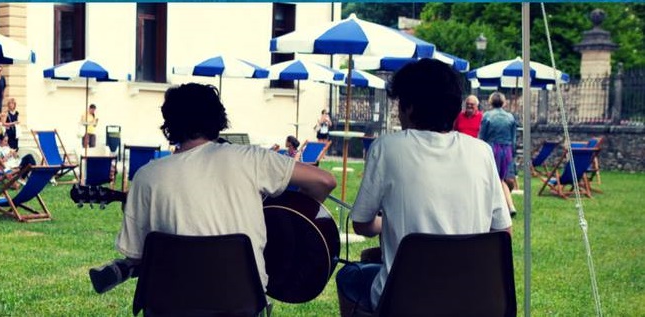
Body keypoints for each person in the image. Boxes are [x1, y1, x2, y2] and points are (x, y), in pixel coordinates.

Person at [88, 83, 336, 294]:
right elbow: (325, 181)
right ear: (218, 119)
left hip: (170, 305)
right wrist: (295, 223)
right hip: (241, 303)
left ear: (170, 124)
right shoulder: (252, 159)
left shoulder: (146, 177)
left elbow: (137, 255)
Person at [335, 59, 512, 315]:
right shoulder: (482, 151)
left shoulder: (387, 148)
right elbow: (503, 232)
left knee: (350, 275)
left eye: (398, 105)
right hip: (476, 299)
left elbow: (361, 224)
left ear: (409, 106)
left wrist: (390, 224)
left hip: (405, 301)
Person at [479, 92, 518, 216]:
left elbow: (482, 137)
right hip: (507, 149)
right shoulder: (510, 117)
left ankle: (505, 204)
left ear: (490, 102)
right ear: (503, 102)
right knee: (506, 179)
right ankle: (505, 203)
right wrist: (513, 151)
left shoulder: (487, 116)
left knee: (495, 178)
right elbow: (514, 138)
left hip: (492, 148)